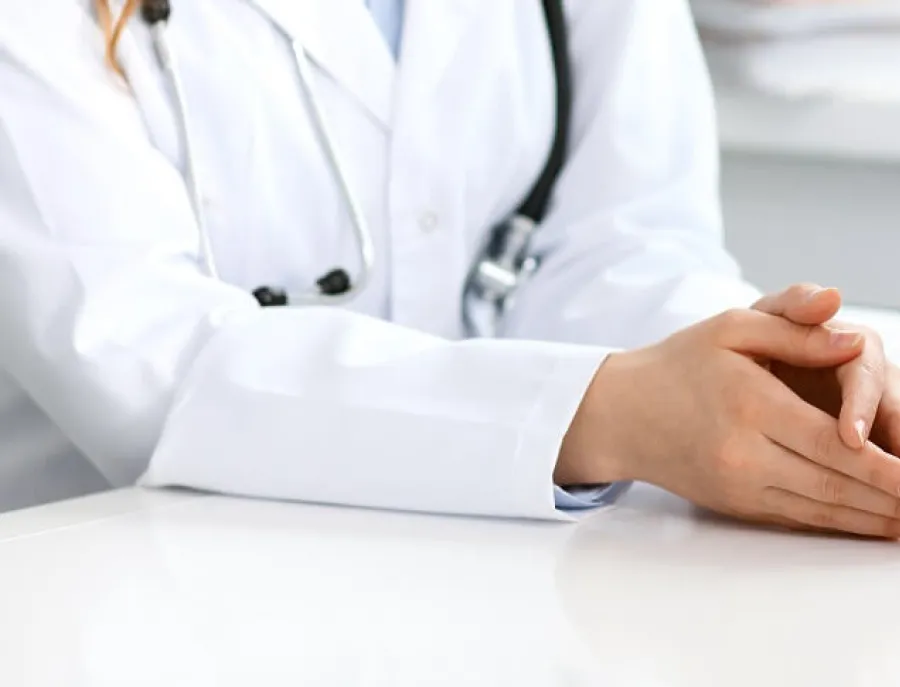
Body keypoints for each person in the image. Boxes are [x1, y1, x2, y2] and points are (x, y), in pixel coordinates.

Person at [1, 0, 900, 537]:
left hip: (478, 582)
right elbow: (144, 362)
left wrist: (760, 374)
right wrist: (603, 410)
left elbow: (619, 239)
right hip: (117, 595)